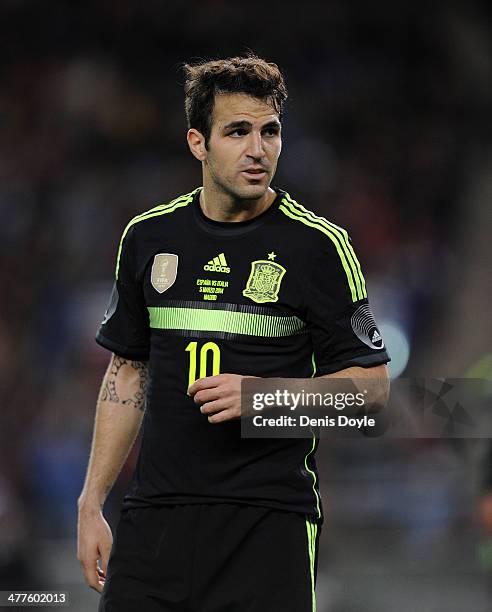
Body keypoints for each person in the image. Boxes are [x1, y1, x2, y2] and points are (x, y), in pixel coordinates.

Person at [77, 54, 390, 612]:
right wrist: (91, 502)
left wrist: (264, 398)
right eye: (238, 131)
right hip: (156, 519)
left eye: (270, 131)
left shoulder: (319, 248)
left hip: (267, 523)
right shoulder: (148, 237)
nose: (258, 149)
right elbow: (129, 371)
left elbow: (370, 395)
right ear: (198, 143)